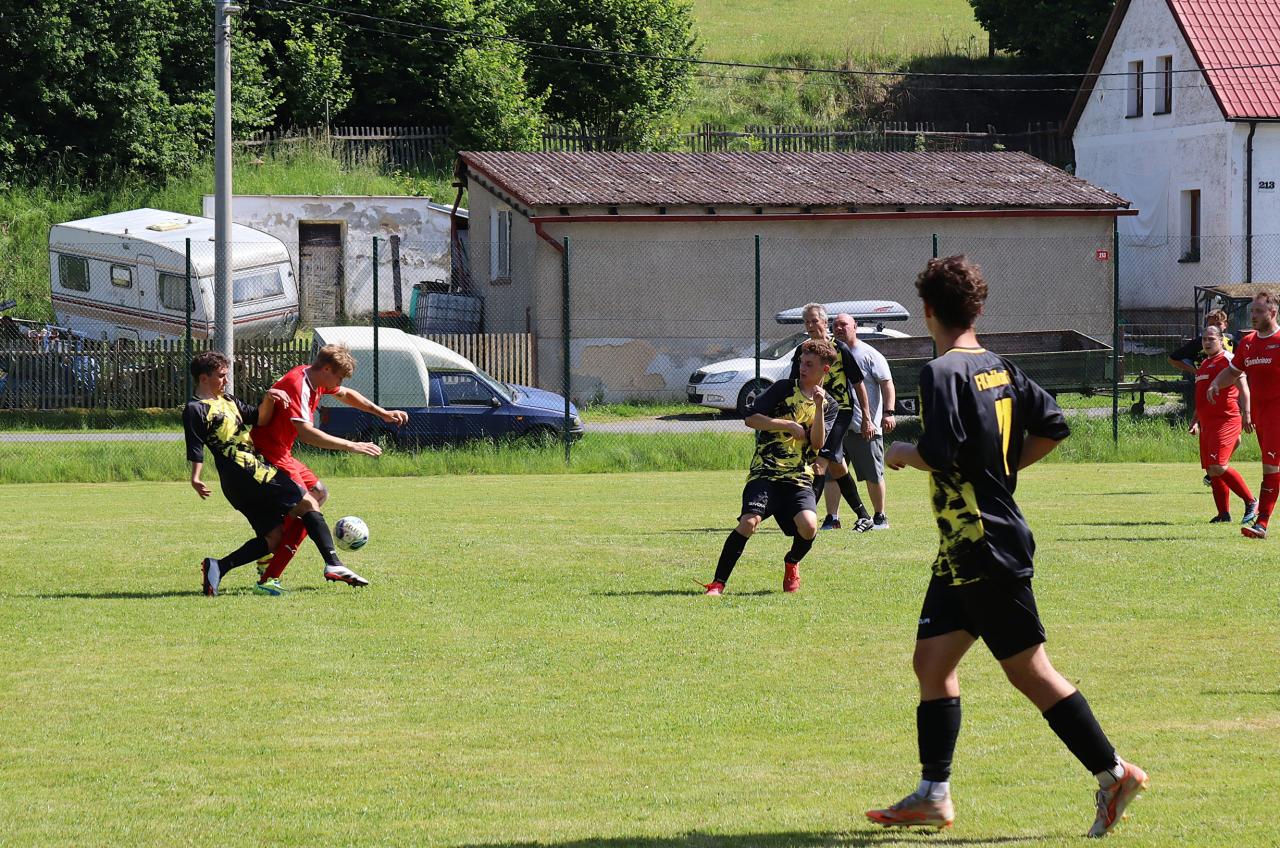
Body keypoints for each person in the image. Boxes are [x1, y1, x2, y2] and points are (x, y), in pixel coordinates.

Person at [864, 256, 1148, 838]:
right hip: (964, 546)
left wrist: (901, 454)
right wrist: (1000, 470)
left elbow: (939, 453)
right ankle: (933, 795)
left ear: (927, 310)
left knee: (1030, 671)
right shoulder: (1000, 367)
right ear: (977, 309)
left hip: (985, 544)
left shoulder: (941, 372)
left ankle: (1115, 773)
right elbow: (1054, 425)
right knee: (932, 663)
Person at [184, 351, 362, 597]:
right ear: (204, 378)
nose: (226, 380)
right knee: (308, 502)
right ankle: (333, 563)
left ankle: (219, 566)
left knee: (274, 537)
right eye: (221, 376)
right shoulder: (194, 409)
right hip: (249, 471)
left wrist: (269, 398)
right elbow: (194, 446)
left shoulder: (228, 400)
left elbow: (259, 418)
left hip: (240, 481)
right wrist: (196, 477)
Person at [250, 344, 408, 594]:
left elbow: (345, 394)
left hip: (282, 452)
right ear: (325, 369)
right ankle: (273, 573)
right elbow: (306, 434)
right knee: (308, 505)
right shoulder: (298, 385)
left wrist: (382, 413)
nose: (340, 382)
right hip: (268, 454)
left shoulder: (316, 379)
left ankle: (272, 552)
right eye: (339, 376)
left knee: (319, 493)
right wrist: (352, 445)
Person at [704, 338, 837, 595]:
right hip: (765, 471)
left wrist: (819, 407)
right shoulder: (782, 388)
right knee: (749, 522)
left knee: (809, 526)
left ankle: (792, 562)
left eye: (809, 364)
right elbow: (751, 419)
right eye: (802, 362)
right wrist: (786, 425)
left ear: (825, 369)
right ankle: (718, 583)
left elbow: (818, 443)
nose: (803, 367)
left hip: (798, 478)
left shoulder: (829, 404)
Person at [788, 303, 875, 533]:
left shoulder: (840, 348)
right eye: (806, 321)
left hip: (840, 413)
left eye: (814, 321)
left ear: (825, 322)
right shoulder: (802, 350)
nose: (810, 325)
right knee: (837, 466)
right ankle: (863, 516)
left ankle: (803, 519)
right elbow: (793, 384)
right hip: (814, 413)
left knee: (820, 463)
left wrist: (867, 417)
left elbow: (858, 383)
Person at [1208, 291, 1280, 539]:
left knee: (1270, 466)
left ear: (1273, 312)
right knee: (1272, 466)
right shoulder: (1248, 342)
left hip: (1277, 414)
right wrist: (1216, 383)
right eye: (1252, 311)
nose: (1253, 316)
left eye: (1259, 311)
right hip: (1261, 416)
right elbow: (1233, 371)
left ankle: (1261, 524)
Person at [822, 313, 897, 530]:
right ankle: (832, 518)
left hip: (864, 426)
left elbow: (887, 384)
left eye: (843, 324)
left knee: (872, 473)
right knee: (832, 474)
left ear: (855, 326)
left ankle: (880, 517)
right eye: (835, 325)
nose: (838, 328)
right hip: (835, 426)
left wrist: (888, 413)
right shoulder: (829, 353)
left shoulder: (869, 354)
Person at [1190, 325, 1257, 523]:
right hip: (1207, 424)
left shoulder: (1228, 359)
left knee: (1218, 465)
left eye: (1211, 339)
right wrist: (1195, 421)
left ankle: (1251, 501)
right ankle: (1223, 514)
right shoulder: (1204, 364)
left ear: (1221, 340)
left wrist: (1247, 414)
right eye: (1204, 339)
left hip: (1226, 420)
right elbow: (1202, 398)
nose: (1207, 342)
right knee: (1212, 470)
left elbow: (1244, 388)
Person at [1167, 309, 1234, 374]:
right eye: (1212, 324)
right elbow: (1172, 359)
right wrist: (1197, 372)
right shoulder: (1199, 342)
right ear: (1207, 325)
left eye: (1218, 324)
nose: (1215, 327)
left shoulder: (1231, 340)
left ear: (1225, 325)